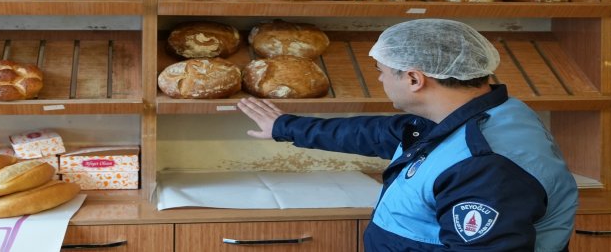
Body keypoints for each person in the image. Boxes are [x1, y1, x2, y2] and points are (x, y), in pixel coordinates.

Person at [236, 19, 578, 251]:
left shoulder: (484, 166)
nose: (380, 80)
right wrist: (284, 126)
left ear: (415, 79)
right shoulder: (483, 113)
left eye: (382, 72)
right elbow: (375, 133)